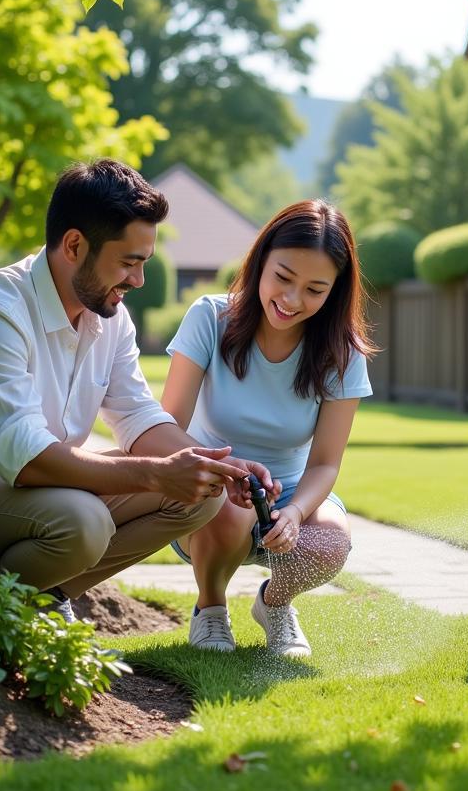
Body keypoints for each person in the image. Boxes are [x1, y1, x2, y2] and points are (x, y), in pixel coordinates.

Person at [0, 159, 267, 623]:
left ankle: (41, 598)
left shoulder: (109, 317)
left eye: (144, 263)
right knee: (83, 521)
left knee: (202, 492)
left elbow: (138, 416)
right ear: (75, 245)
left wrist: (218, 465)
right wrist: (157, 475)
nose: (138, 280)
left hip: (32, 491)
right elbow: (27, 457)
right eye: (128, 262)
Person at [161, 200, 375, 657]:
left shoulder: (342, 352)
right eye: (283, 278)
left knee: (329, 544)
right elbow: (167, 425)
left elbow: (325, 463)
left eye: (315, 289)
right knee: (230, 510)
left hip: (291, 490)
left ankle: (275, 605)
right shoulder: (209, 318)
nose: (292, 300)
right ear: (260, 262)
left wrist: (296, 512)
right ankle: (210, 608)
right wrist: (226, 472)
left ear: (335, 292)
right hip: (210, 489)